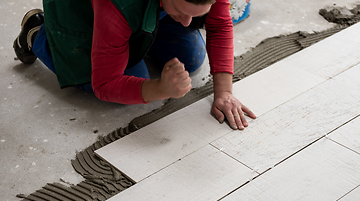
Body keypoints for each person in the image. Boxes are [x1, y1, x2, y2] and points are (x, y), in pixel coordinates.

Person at [13, 0, 256, 130]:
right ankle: (38, 35)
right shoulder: (119, 3)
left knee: (191, 56)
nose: (187, 23)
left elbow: (220, 25)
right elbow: (105, 84)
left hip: (144, 7)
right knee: (131, 80)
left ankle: (143, 26)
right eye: (181, 11)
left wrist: (224, 93)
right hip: (83, 12)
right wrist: (159, 89)